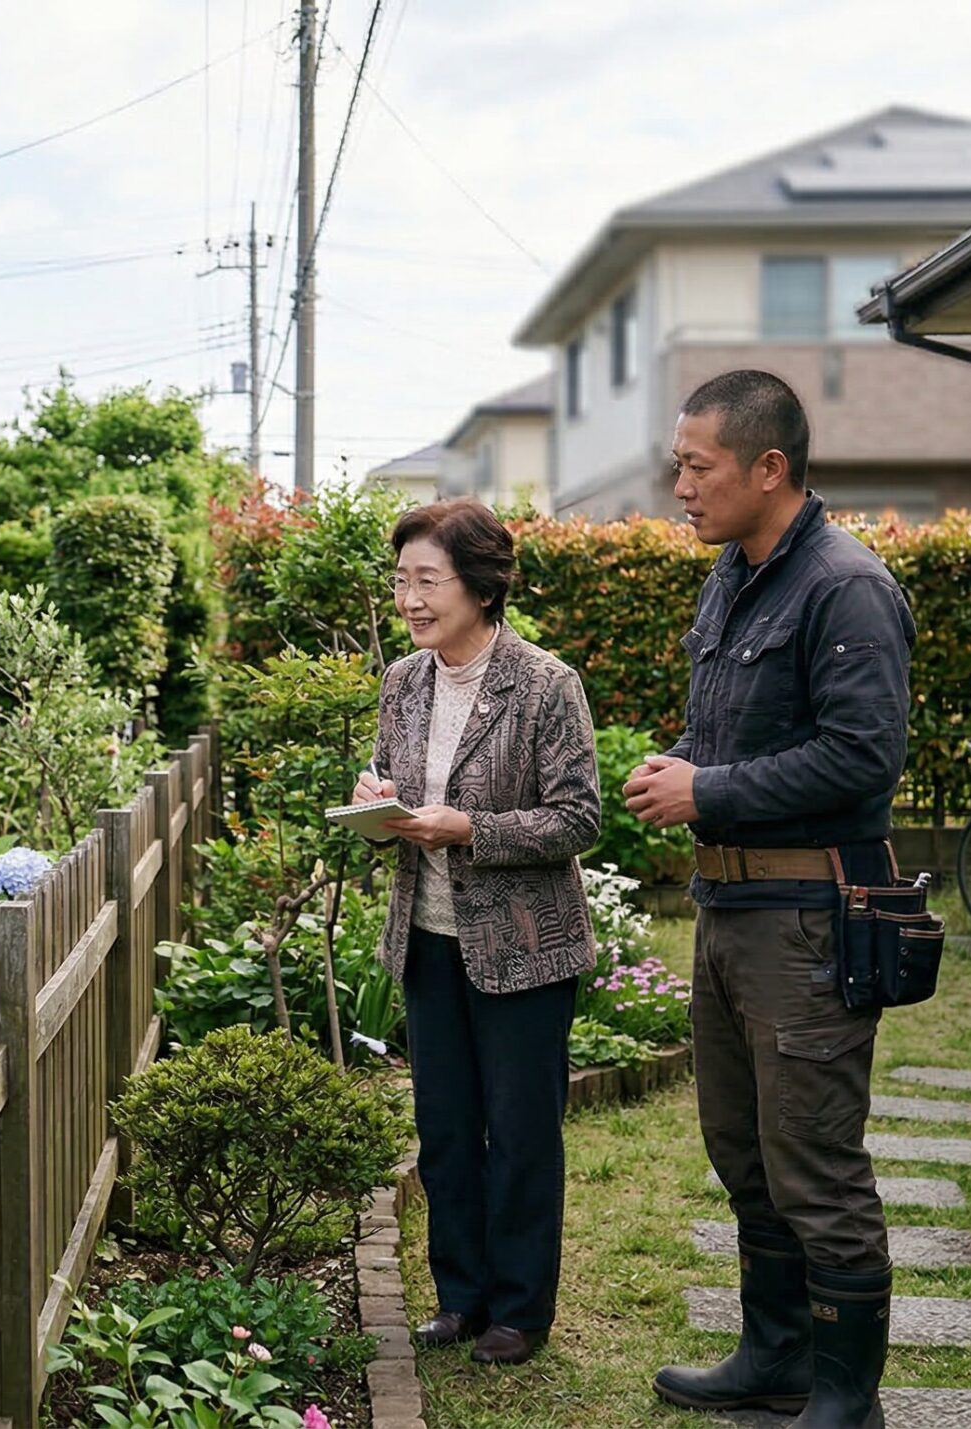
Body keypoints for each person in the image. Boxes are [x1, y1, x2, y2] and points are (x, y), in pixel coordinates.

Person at [625, 370, 914, 1429]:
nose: (680, 485)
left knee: (814, 1163)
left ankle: (847, 1397)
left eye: (695, 466)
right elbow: (743, 734)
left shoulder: (845, 585)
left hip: (806, 922)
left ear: (767, 467)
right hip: (728, 914)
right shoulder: (735, 577)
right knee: (743, 1151)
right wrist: (686, 765)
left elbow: (860, 756)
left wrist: (708, 787)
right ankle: (774, 1353)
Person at [348, 497, 602, 1367]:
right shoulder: (403, 682)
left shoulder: (544, 683)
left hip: (526, 947)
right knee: (447, 1125)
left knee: (521, 1130)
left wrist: (471, 830)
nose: (410, 599)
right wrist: (376, 805)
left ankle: (520, 1309)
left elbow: (578, 817)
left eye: (427, 580)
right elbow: (399, 787)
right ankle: (460, 1297)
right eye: (401, 581)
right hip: (426, 937)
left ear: (481, 585)